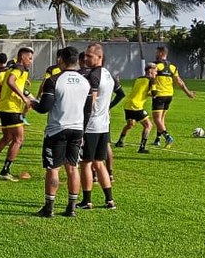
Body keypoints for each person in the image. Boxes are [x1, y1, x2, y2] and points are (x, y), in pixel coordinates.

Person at [31, 47, 92, 217]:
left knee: (53, 168)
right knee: (73, 167)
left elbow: (44, 107)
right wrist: (83, 130)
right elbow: (88, 110)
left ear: (61, 60)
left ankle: (49, 208)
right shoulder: (85, 81)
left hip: (57, 130)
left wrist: (32, 102)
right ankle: (71, 208)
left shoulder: (54, 80)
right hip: (77, 129)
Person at [78, 43, 123, 210]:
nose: (85, 58)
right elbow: (119, 93)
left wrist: (82, 127)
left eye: (89, 56)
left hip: (91, 126)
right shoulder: (107, 74)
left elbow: (91, 102)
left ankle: (87, 201)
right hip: (104, 125)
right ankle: (109, 200)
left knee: (86, 163)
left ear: (99, 57)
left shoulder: (94, 75)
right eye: (85, 55)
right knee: (99, 162)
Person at [0, 47, 35, 180]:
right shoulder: (19, 68)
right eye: (29, 58)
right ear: (22, 57)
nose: (31, 61)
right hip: (12, 109)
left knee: (7, 138)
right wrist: (24, 98)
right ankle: (5, 170)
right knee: (18, 139)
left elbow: (2, 86)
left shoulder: (10, 68)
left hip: (3, 107)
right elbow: (10, 81)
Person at [150, 45, 195, 147]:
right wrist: (188, 92)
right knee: (161, 118)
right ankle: (157, 139)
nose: (155, 54)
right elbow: (179, 82)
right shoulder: (172, 67)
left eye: (156, 52)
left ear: (161, 53)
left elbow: (151, 78)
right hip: (169, 95)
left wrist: (151, 89)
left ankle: (167, 137)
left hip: (159, 95)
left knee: (157, 119)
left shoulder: (155, 65)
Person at [115, 64, 156, 154]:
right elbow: (154, 94)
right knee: (148, 125)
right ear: (150, 71)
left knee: (130, 124)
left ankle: (120, 141)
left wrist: (148, 94)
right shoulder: (152, 80)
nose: (156, 73)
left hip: (128, 105)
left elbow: (139, 91)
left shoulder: (139, 79)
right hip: (136, 106)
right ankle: (142, 147)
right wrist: (156, 94)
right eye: (155, 71)